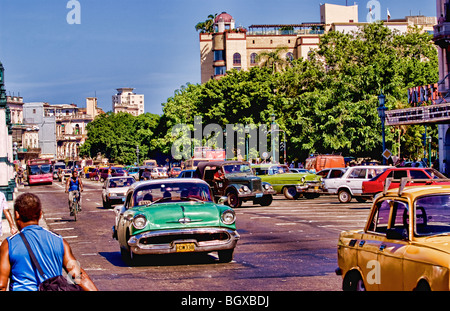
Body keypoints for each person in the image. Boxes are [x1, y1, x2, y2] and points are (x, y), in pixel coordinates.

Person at [0, 193, 97, 291]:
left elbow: (1, 285)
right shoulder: (59, 241)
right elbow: (80, 277)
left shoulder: (9, 244)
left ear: (16, 214)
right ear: (40, 214)